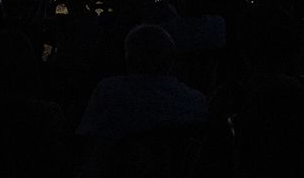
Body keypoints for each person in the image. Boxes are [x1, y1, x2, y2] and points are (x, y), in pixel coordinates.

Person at [77, 23, 208, 140]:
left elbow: (87, 136)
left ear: (128, 61)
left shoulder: (109, 92)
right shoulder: (195, 102)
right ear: (173, 61)